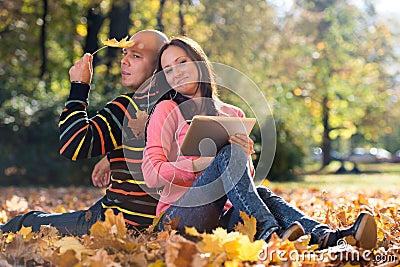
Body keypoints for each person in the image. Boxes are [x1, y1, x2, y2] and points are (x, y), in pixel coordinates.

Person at [141, 36, 377, 249]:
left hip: (223, 221)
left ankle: (330, 237)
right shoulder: (167, 110)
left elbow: (244, 186)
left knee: (261, 191)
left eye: (182, 62)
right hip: (177, 220)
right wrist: (196, 165)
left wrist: (244, 157)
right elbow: (151, 175)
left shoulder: (232, 114)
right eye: (168, 70)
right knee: (234, 158)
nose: (176, 73)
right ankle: (269, 232)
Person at [0, 30, 168, 236]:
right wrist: (113, 156)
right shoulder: (177, 105)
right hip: (155, 219)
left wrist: (79, 87)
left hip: (121, 222)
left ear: (160, 67)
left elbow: (73, 145)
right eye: (125, 53)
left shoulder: (126, 108)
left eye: (136, 56)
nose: (124, 61)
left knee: (25, 223)